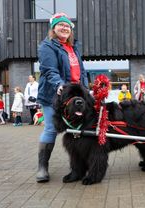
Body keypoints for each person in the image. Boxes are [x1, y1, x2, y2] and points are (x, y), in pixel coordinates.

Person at [36, 12, 88, 183]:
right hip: (55, 94)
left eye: (67, 26)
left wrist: (87, 90)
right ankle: (42, 167)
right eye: (61, 25)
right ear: (53, 28)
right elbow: (49, 70)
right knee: (51, 128)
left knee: (78, 130)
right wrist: (59, 85)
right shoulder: (47, 46)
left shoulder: (74, 47)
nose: (64, 28)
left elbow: (81, 71)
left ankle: (78, 167)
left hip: (75, 94)